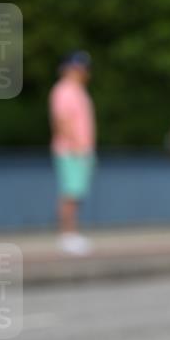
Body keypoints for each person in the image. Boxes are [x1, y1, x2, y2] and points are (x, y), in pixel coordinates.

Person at [49, 51, 96, 254]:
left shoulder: (78, 90)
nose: (83, 71)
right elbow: (61, 120)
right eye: (79, 67)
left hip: (79, 150)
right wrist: (77, 146)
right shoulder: (64, 90)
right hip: (71, 150)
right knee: (70, 193)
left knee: (76, 193)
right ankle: (67, 235)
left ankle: (71, 233)